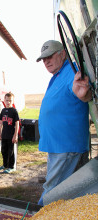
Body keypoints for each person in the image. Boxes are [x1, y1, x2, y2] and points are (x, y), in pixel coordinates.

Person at [36, 40, 92, 206]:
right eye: (43, 59)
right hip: (57, 144)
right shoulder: (57, 75)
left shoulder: (72, 71)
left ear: (63, 53)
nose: (46, 61)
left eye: (49, 56)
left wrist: (84, 94)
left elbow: (82, 91)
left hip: (66, 145)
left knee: (52, 188)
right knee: (62, 189)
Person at [0, 92, 19, 174]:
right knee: (4, 151)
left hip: (11, 135)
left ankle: (11, 167)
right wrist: (0, 133)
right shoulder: (3, 111)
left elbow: (17, 124)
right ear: (4, 100)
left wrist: (15, 135)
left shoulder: (14, 111)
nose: (8, 102)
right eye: (7, 100)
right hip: (4, 135)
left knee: (11, 152)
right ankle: (5, 165)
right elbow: (1, 123)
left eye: (10, 100)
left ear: (13, 101)